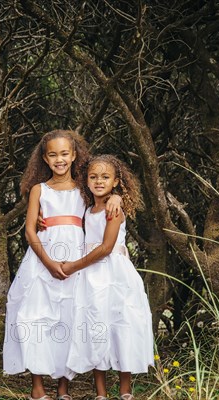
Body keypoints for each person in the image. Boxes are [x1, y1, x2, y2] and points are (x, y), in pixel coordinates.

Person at [3, 131, 122, 400]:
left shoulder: (84, 188)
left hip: (75, 261)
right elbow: (30, 232)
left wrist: (118, 198)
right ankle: (37, 387)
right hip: (42, 258)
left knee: (69, 319)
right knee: (36, 317)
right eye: (53, 155)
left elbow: (105, 198)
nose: (60, 160)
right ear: (45, 158)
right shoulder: (39, 190)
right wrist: (47, 262)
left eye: (65, 154)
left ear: (75, 155)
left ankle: (63, 387)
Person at [62, 155, 154, 400]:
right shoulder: (86, 209)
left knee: (122, 325)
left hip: (114, 275)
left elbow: (105, 248)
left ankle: (125, 390)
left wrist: (72, 266)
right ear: (86, 180)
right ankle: (100, 393)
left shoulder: (115, 210)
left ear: (115, 182)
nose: (99, 181)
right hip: (91, 277)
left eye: (105, 177)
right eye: (93, 177)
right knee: (96, 327)